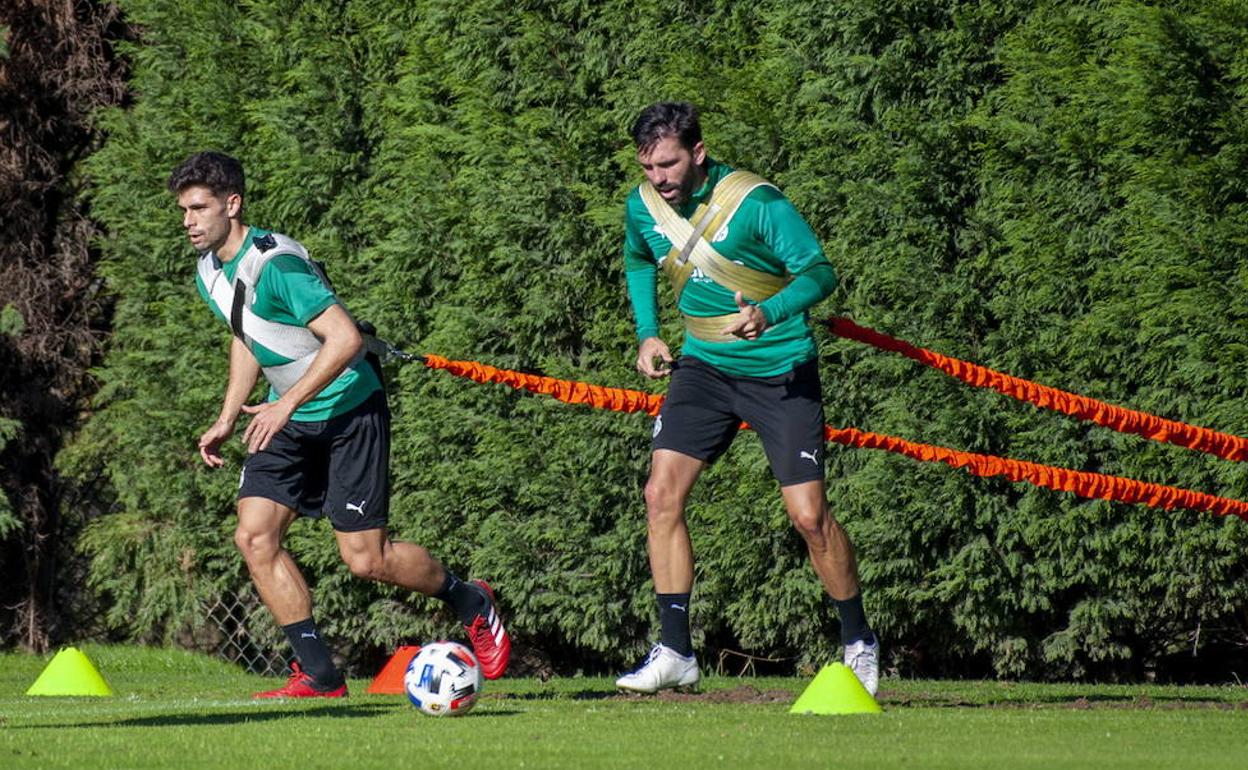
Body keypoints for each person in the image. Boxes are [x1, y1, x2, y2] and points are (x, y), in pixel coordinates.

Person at [169, 151, 509, 698]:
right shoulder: (209, 270)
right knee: (254, 537)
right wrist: (228, 416)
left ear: (232, 204)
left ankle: (470, 600)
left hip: (349, 410)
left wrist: (283, 405)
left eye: (198, 207)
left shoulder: (277, 265)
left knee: (365, 559)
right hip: (289, 418)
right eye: (183, 209)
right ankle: (320, 676)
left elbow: (346, 338)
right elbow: (246, 335)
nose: (188, 220)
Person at [616, 102, 879, 695]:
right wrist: (647, 331)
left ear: (698, 153)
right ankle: (676, 651)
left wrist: (771, 311)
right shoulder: (645, 206)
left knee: (809, 518)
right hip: (703, 368)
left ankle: (858, 639)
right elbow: (638, 259)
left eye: (668, 164)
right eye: (648, 166)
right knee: (660, 494)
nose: (657, 178)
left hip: (780, 370)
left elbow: (819, 273)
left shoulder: (756, 203)